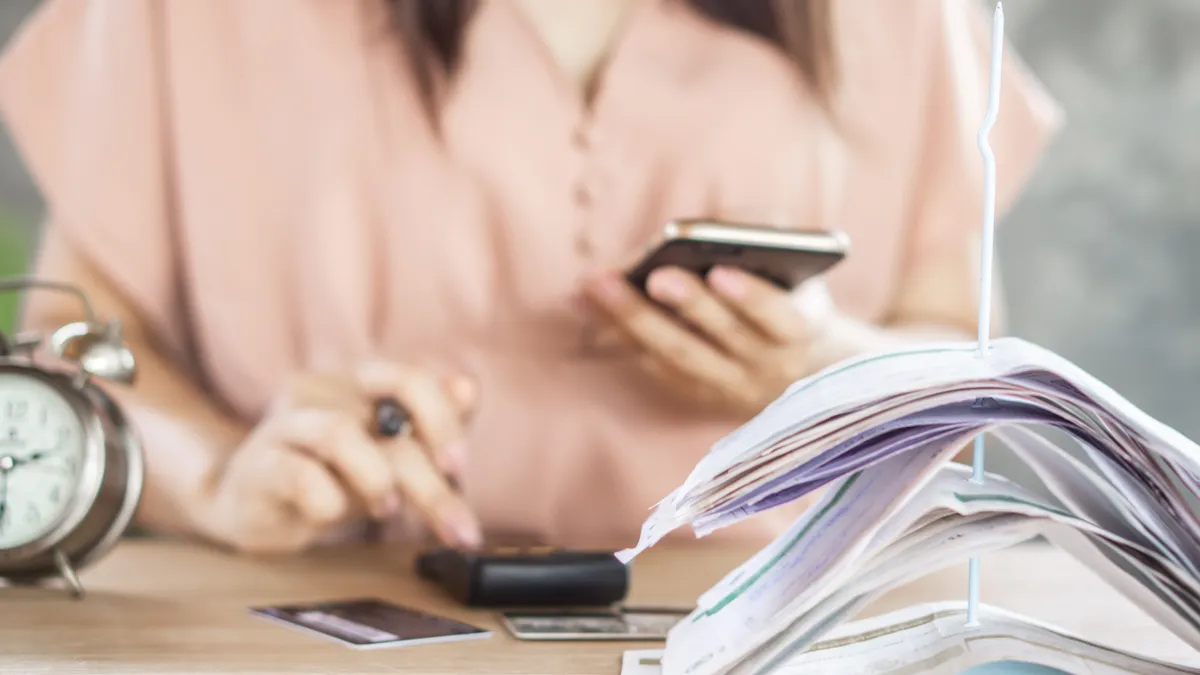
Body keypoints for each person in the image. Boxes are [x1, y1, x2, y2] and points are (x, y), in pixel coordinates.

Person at [0, 0, 1061, 555]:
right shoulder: (182, 15)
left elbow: (962, 360)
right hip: (307, 622)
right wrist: (226, 479)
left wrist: (831, 375)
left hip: (761, 633)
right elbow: (79, 356)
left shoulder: (894, 13)